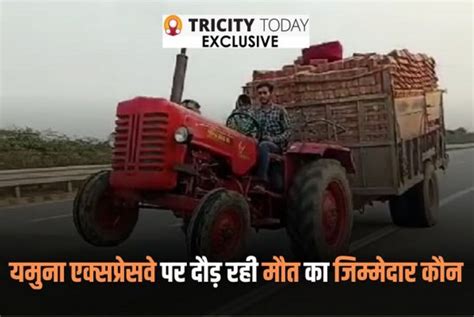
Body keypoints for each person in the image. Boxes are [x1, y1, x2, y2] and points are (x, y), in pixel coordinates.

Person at [253, 82, 291, 183]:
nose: (262, 96)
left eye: (265, 93)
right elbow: (253, 129)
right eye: (260, 93)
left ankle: (261, 179)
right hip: (260, 142)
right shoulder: (256, 113)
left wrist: (273, 139)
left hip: (276, 146)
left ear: (270, 94)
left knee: (264, 145)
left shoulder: (280, 111)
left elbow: (288, 132)